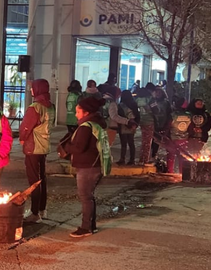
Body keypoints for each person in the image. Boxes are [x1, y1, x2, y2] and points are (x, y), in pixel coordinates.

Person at [57, 96, 110, 238]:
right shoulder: (96, 124)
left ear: (86, 113)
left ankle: (86, 227)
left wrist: (66, 146)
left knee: (85, 196)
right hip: (94, 165)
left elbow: (79, 148)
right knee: (89, 196)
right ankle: (91, 226)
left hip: (88, 167)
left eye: (78, 112)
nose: (75, 115)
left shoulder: (86, 127)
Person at [20, 79, 55, 223]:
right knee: (42, 178)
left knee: (34, 181)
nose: (31, 90)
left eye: (32, 88)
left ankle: (34, 213)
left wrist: (22, 139)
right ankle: (42, 209)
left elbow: (25, 127)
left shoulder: (35, 107)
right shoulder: (51, 106)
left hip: (33, 147)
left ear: (37, 89)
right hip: (44, 146)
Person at [166, 96, 191, 174]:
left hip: (173, 138)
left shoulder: (173, 115)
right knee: (182, 157)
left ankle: (170, 171)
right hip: (184, 138)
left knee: (171, 156)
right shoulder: (189, 115)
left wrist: (166, 134)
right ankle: (181, 173)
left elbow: (168, 125)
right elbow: (191, 127)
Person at [118, 90, 140, 165]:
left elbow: (119, 116)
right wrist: (136, 124)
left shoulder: (121, 105)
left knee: (123, 143)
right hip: (132, 124)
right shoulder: (133, 104)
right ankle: (132, 159)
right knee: (131, 142)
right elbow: (137, 115)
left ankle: (122, 159)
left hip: (123, 124)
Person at [149, 88, 171, 159]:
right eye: (156, 92)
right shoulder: (152, 101)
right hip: (153, 122)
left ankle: (154, 155)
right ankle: (150, 155)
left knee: (157, 140)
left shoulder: (166, 103)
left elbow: (169, 113)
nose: (158, 94)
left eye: (159, 93)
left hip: (162, 124)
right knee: (150, 140)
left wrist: (166, 124)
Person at [135, 87, 155, 164]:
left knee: (144, 140)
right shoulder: (150, 99)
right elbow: (156, 110)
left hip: (142, 121)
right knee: (147, 142)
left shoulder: (137, 100)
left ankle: (141, 158)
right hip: (150, 121)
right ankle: (145, 159)